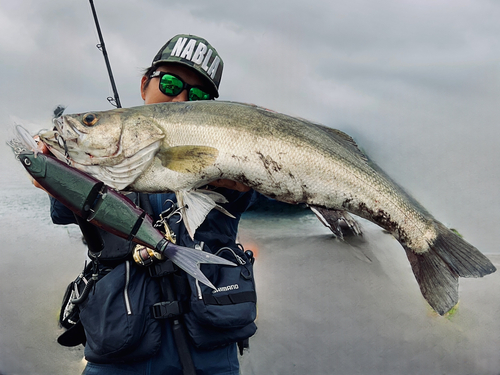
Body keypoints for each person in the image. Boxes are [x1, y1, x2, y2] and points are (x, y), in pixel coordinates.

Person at [42, 34, 257, 375]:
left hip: (211, 353)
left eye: (199, 95)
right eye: (170, 84)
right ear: (145, 84)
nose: (181, 98)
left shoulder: (224, 155)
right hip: (121, 348)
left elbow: (247, 193)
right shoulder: (98, 155)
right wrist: (55, 174)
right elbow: (63, 211)